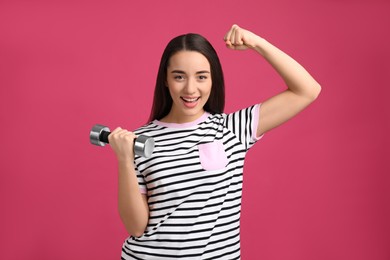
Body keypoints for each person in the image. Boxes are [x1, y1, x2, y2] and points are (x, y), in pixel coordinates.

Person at [108, 24, 321, 259]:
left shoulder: (232, 129)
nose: (190, 88)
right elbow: (136, 227)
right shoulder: (141, 140)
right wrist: (125, 160)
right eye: (179, 76)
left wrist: (257, 43)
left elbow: (307, 90)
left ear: (213, 80)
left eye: (201, 77)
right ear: (166, 80)